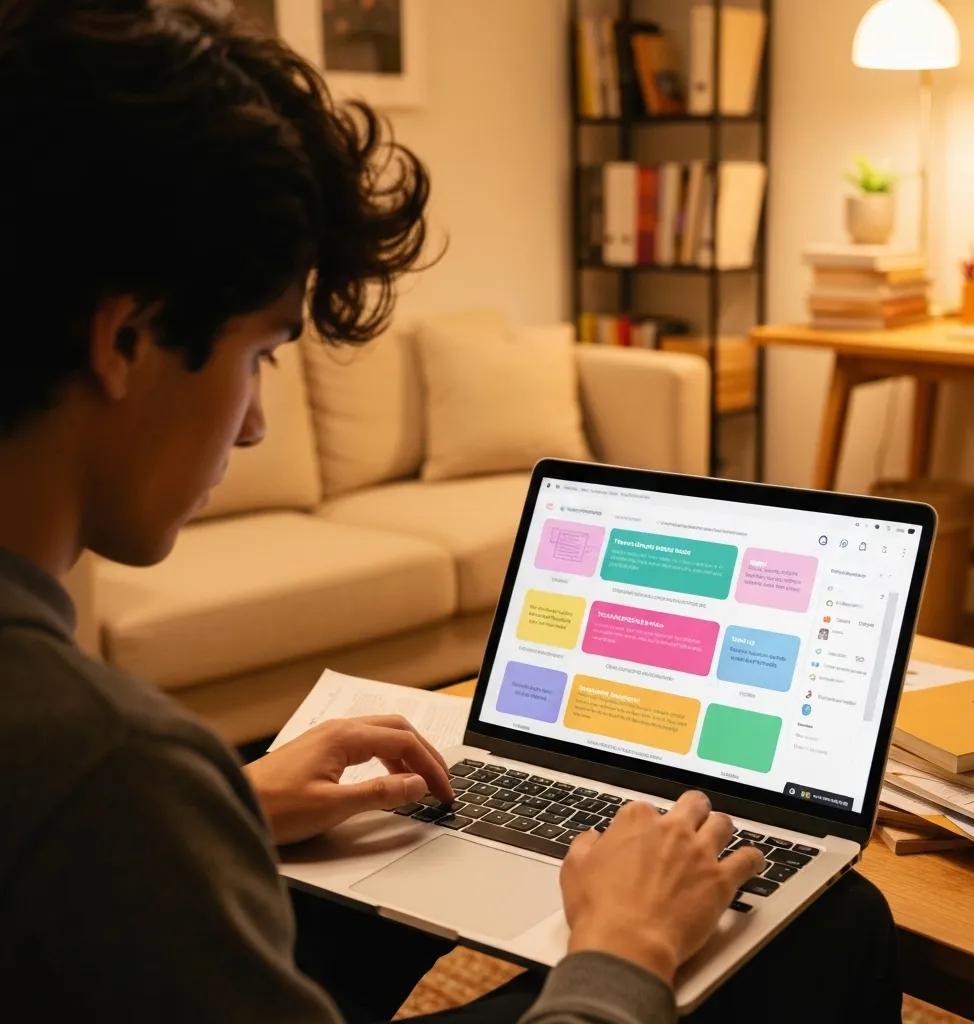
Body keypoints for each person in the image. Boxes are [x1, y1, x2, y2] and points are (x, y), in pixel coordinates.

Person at [0, 2, 902, 1021]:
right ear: (125, 341)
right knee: (832, 922)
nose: (254, 426)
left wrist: (228, 814)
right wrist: (624, 950)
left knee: (375, 855)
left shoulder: (114, 791)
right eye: (260, 355)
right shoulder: (107, 764)